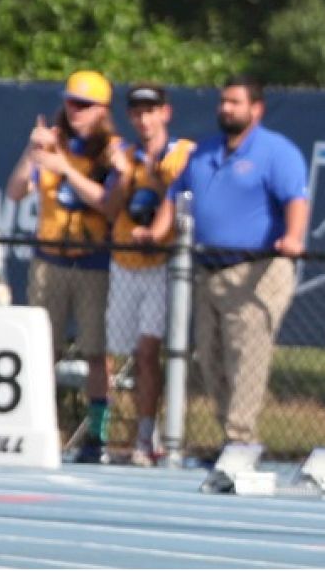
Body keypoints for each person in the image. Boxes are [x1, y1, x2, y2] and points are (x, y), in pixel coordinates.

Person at [147, 74, 309, 446]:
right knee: (210, 358)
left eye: (235, 102)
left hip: (258, 269)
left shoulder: (275, 151)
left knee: (247, 354)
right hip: (208, 271)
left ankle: (240, 440)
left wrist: (294, 238)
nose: (226, 108)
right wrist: (156, 232)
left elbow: (296, 199)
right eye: (223, 101)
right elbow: (176, 194)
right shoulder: (203, 152)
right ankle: (231, 437)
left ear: (256, 109)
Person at [5, 70, 121, 463]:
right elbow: (16, 191)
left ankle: (96, 435)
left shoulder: (113, 151)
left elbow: (108, 203)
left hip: (93, 261)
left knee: (95, 351)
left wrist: (65, 166)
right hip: (49, 259)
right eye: (71, 102)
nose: (75, 111)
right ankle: (39, 428)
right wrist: (32, 152)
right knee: (42, 351)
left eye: (85, 105)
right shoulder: (51, 141)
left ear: (102, 110)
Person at [102, 84, 194, 466]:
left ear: (164, 113)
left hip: (160, 267)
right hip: (123, 263)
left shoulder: (182, 153)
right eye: (137, 112)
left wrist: (157, 180)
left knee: (147, 353)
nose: (144, 119)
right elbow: (109, 209)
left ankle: (145, 435)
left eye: (150, 111)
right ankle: (102, 435)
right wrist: (123, 176)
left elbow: (180, 196)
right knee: (110, 356)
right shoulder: (124, 155)